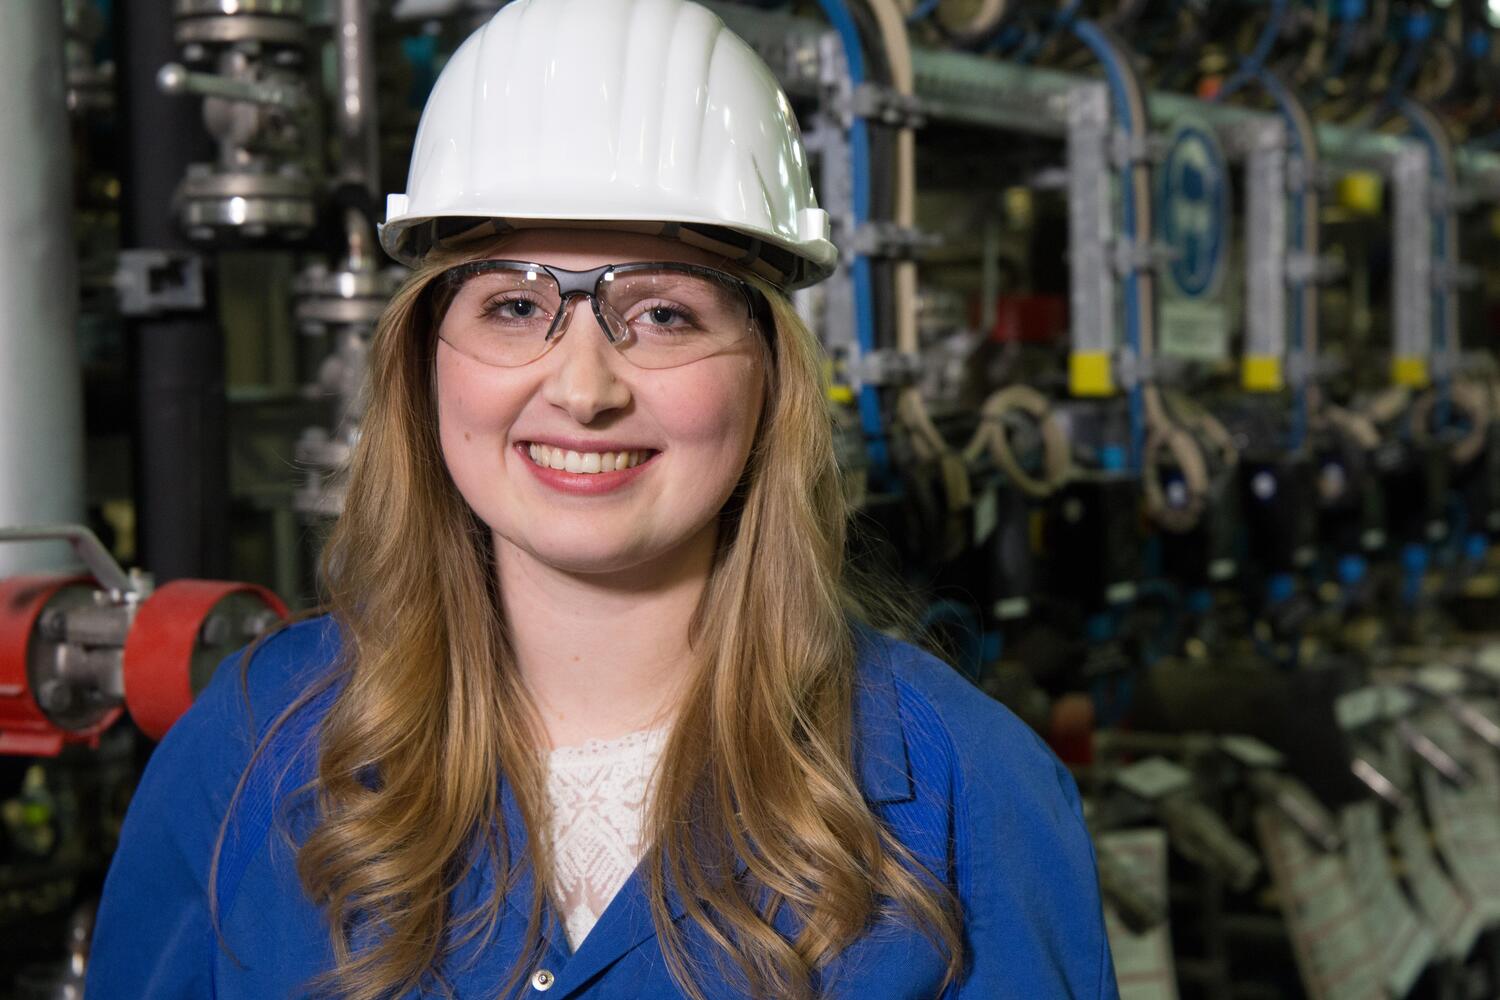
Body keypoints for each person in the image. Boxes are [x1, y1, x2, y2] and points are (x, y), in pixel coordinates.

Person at [88, 0, 1117, 997]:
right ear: (425, 364)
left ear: (768, 374)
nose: (583, 389)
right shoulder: (247, 751)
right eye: (515, 305)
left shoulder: (967, 796)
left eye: (664, 311)